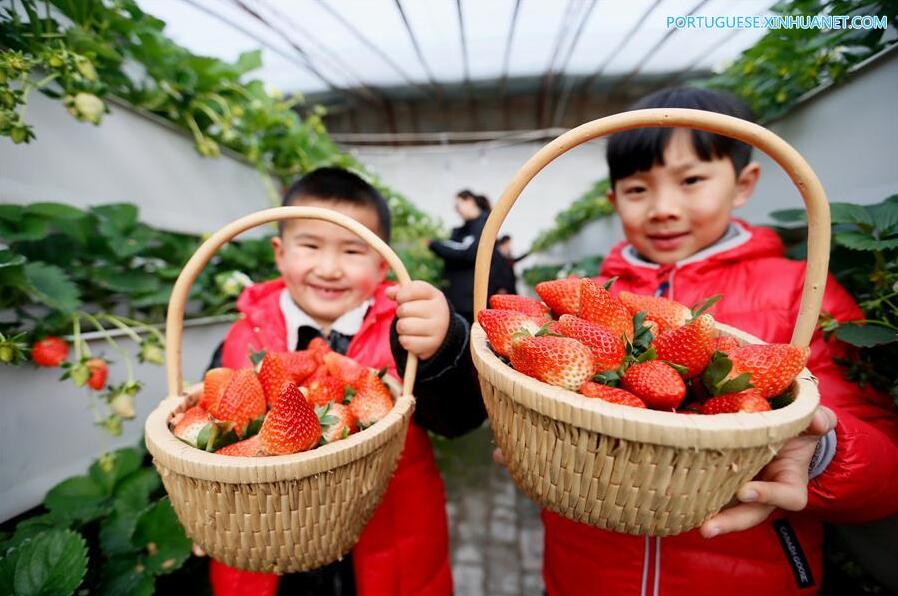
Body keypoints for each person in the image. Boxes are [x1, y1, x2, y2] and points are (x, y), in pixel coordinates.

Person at [526, 87, 898, 595]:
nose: (662, 208)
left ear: (744, 184)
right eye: (638, 189)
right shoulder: (588, 302)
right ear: (614, 200)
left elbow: (886, 472)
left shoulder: (801, 292)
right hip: (587, 567)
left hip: (748, 571)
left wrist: (820, 451)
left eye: (692, 180)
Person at [206, 167, 486, 596]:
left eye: (352, 251)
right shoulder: (245, 335)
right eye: (310, 245)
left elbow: (458, 419)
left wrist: (444, 345)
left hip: (389, 540)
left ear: (381, 260)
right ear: (280, 253)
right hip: (267, 545)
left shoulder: (405, 329)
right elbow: (215, 439)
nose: (329, 268)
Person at [429, 190, 509, 322]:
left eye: (458, 205)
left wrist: (436, 246)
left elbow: (469, 253)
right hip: (461, 298)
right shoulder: (465, 229)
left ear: (470, 201)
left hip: (469, 300)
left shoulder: (483, 225)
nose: (457, 211)